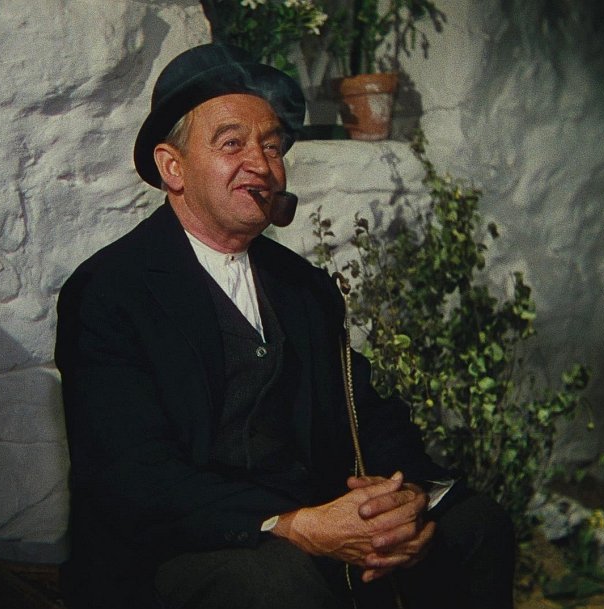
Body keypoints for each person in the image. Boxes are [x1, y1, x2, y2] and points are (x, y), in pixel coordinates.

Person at [55, 43, 514, 609]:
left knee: (474, 527)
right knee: (277, 583)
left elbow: (364, 413)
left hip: (307, 521)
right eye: (232, 144)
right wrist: (293, 525)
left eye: (271, 146)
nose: (262, 164)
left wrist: (406, 495)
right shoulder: (109, 292)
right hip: (177, 548)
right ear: (173, 167)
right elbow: (132, 475)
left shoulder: (303, 287)